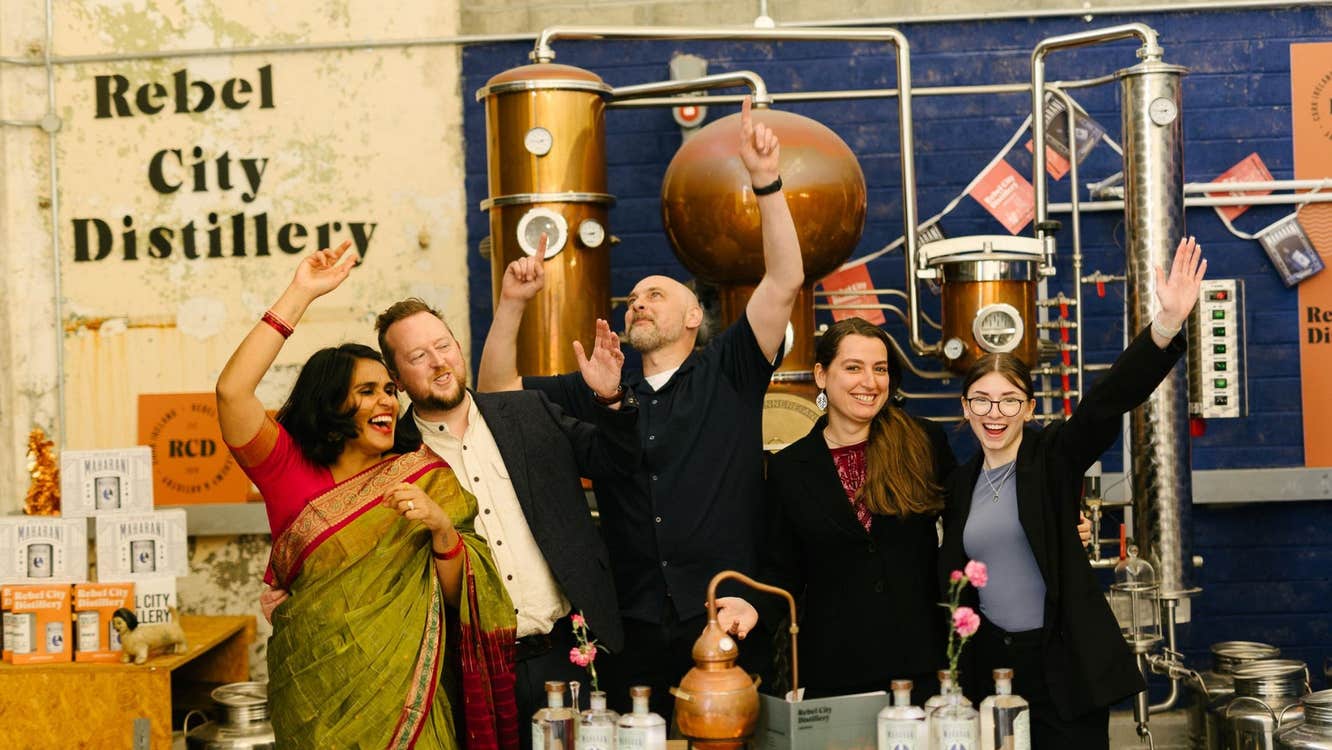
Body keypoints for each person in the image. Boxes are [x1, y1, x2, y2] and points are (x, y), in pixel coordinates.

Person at [477, 95, 803, 719]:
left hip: (721, 612)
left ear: (691, 317)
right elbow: (495, 393)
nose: (640, 302)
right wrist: (513, 302)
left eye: (657, 295)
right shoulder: (599, 383)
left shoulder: (727, 371)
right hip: (629, 624)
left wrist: (765, 181)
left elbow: (784, 279)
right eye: (633, 300)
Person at [217, 241, 514, 748]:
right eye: (366, 391)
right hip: (316, 705)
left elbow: (462, 596)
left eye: (388, 389)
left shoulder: (421, 476)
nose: (385, 401)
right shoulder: (286, 468)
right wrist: (301, 293)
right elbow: (231, 392)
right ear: (331, 402)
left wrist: (442, 529)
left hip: (411, 706)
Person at [939, 236, 1206, 748]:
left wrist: (1166, 325)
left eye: (1008, 401)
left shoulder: (1052, 457)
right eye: (982, 401)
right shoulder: (959, 483)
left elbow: (1104, 404)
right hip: (991, 664)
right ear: (966, 409)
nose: (995, 413)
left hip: (1060, 662)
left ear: (1030, 409)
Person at [375, 295, 639, 749]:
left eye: (444, 346)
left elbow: (616, 463)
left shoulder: (527, 411)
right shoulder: (391, 460)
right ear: (396, 380)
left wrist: (609, 397)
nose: (439, 363)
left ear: (459, 347)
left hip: (569, 651)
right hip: (468, 671)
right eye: (419, 356)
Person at [715, 317, 957, 704]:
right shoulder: (788, 468)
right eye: (853, 367)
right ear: (821, 375)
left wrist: (1048, 524)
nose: (871, 381)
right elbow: (783, 570)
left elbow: (970, 515)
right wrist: (754, 604)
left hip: (922, 669)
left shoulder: (923, 442)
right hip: (834, 673)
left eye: (880, 369)